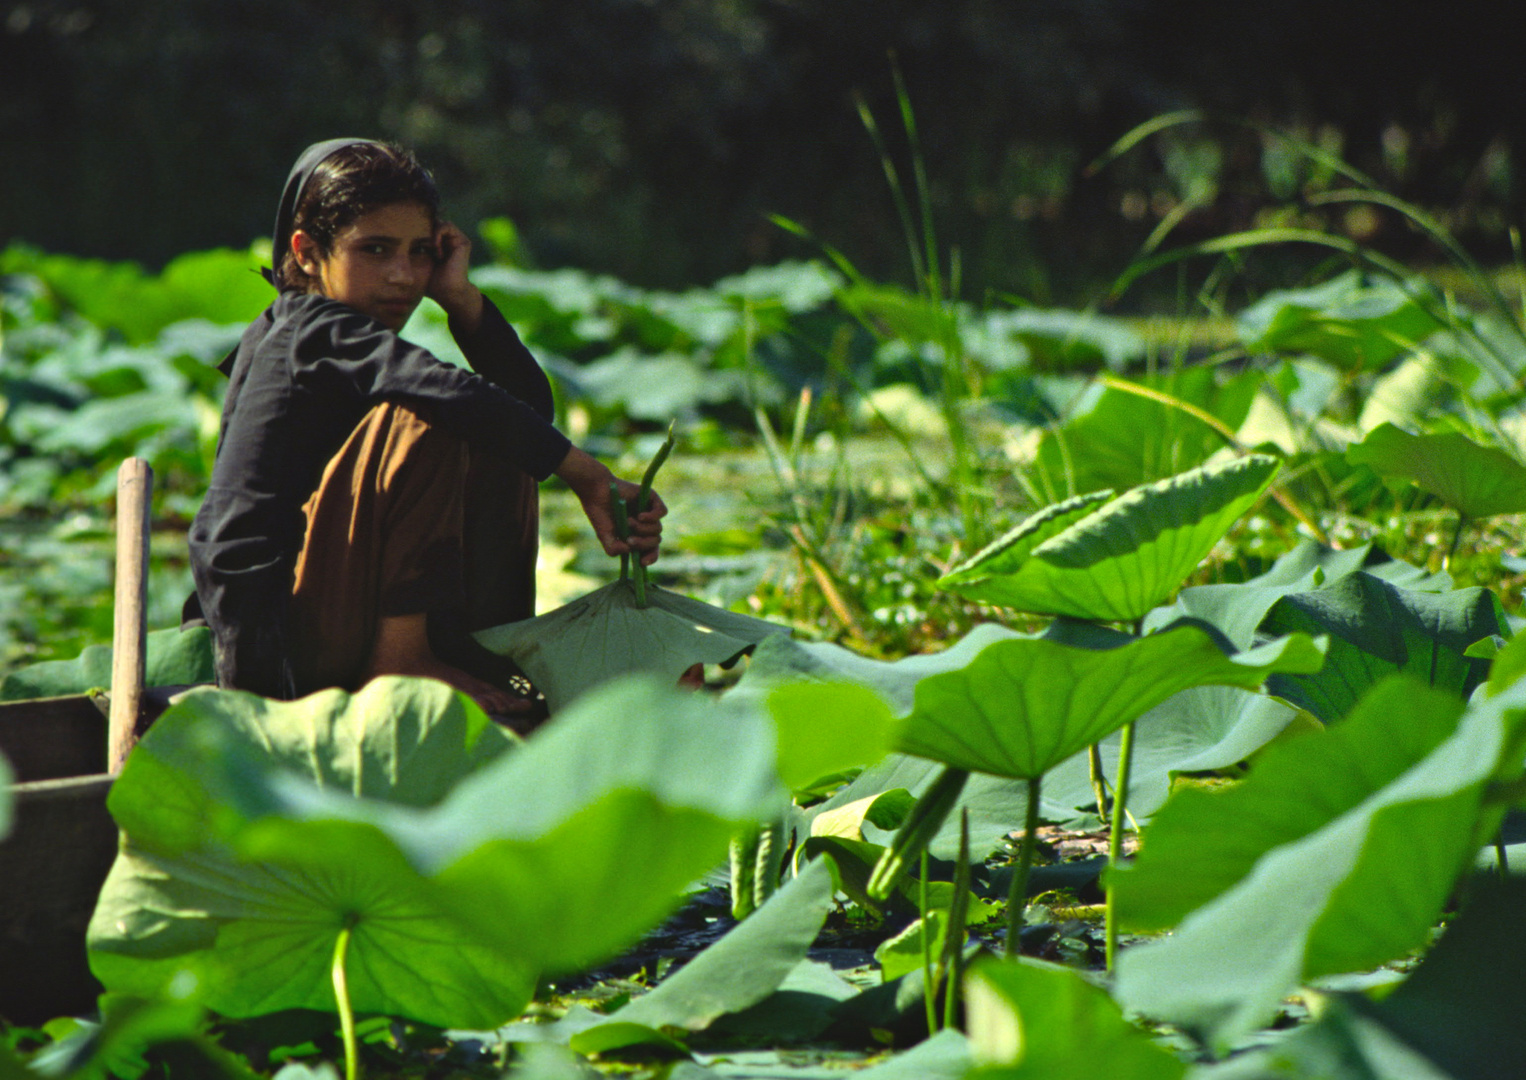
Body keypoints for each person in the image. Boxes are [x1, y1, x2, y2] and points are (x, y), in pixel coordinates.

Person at [184, 138, 664, 718]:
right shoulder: (307, 327)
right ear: (308, 253)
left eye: (419, 252)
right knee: (429, 414)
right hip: (271, 632)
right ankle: (400, 661)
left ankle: (467, 654)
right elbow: (443, 393)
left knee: (496, 427)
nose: (403, 276)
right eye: (376, 250)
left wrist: (460, 298)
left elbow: (526, 411)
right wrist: (586, 475)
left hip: (320, 616)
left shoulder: (334, 331)